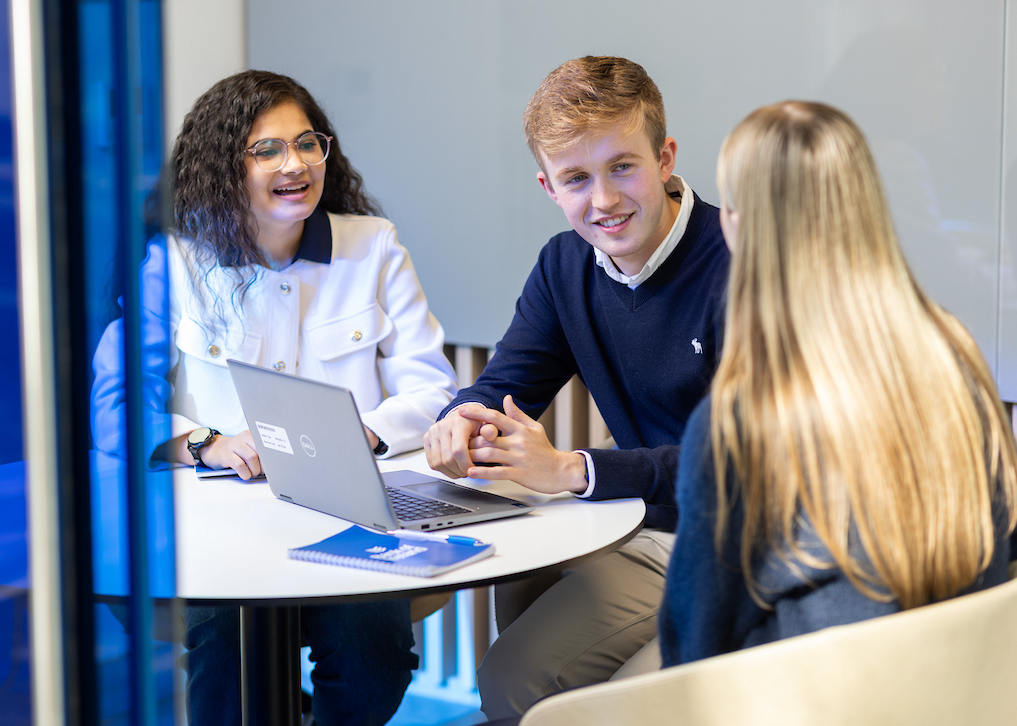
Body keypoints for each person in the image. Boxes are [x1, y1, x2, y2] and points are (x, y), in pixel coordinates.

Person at [91, 70, 458, 725]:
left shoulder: (374, 248)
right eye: (267, 150)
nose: (295, 165)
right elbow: (116, 407)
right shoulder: (174, 261)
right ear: (223, 168)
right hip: (217, 523)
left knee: (373, 647)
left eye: (307, 144)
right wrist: (207, 444)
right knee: (227, 642)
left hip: (347, 516)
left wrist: (364, 434)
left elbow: (433, 389)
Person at [422, 56, 730, 717]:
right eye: (576, 179)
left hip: (726, 537)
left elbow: (748, 460)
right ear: (548, 187)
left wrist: (573, 470)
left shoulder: (740, 261)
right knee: (519, 585)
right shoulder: (565, 265)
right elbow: (509, 381)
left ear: (665, 158)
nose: (605, 201)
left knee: (514, 679)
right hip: (632, 518)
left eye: (623, 167)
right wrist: (462, 417)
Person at [658, 101, 1017, 665]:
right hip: (963, 683)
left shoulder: (743, 418)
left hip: (811, 695)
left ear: (738, 224)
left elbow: (694, 646)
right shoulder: (956, 357)